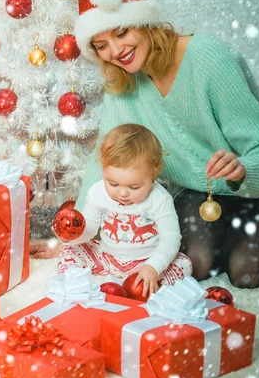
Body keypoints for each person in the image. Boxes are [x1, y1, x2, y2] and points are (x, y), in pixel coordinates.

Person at [66, 0, 259, 289]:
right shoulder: (122, 83)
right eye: (101, 44)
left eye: (121, 33)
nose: (116, 51)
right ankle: (224, 235)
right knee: (196, 265)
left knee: (247, 274)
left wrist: (242, 169)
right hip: (197, 192)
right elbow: (105, 158)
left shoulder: (209, 58)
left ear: (143, 22)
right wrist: (76, 229)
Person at [57, 124, 193, 296]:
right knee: (69, 249)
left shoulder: (160, 198)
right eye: (112, 183)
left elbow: (171, 237)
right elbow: (90, 228)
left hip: (144, 262)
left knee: (184, 263)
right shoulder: (97, 192)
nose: (122, 193)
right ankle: (75, 284)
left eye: (134, 187)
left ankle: (146, 284)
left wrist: (153, 266)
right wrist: (74, 234)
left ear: (153, 174)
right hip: (106, 256)